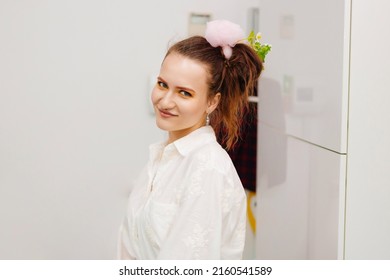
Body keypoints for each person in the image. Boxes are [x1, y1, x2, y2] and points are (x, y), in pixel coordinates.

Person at [118, 19, 265, 259]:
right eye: (162, 84)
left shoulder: (208, 170)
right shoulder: (161, 158)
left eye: (184, 93)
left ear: (212, 102)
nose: (165, 101)